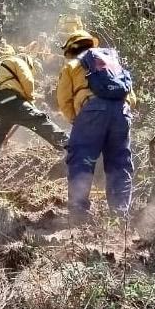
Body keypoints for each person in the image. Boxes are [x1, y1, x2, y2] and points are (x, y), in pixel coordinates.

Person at [56, 30, 137, 220]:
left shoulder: (72, 65)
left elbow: (64, 100)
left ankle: (78, 213)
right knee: (119, 163)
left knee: (81, 158)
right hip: (122, 111)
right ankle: (120, 214)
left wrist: (78, 120)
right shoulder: (112, 63)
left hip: (92, 111)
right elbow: (131, 97)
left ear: (70, 49)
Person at [0, 51, 67, 170]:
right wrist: (30, 100)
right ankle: (69, 145)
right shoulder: (18, 61)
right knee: (38, 121)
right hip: (11, 100)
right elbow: (27, 80)